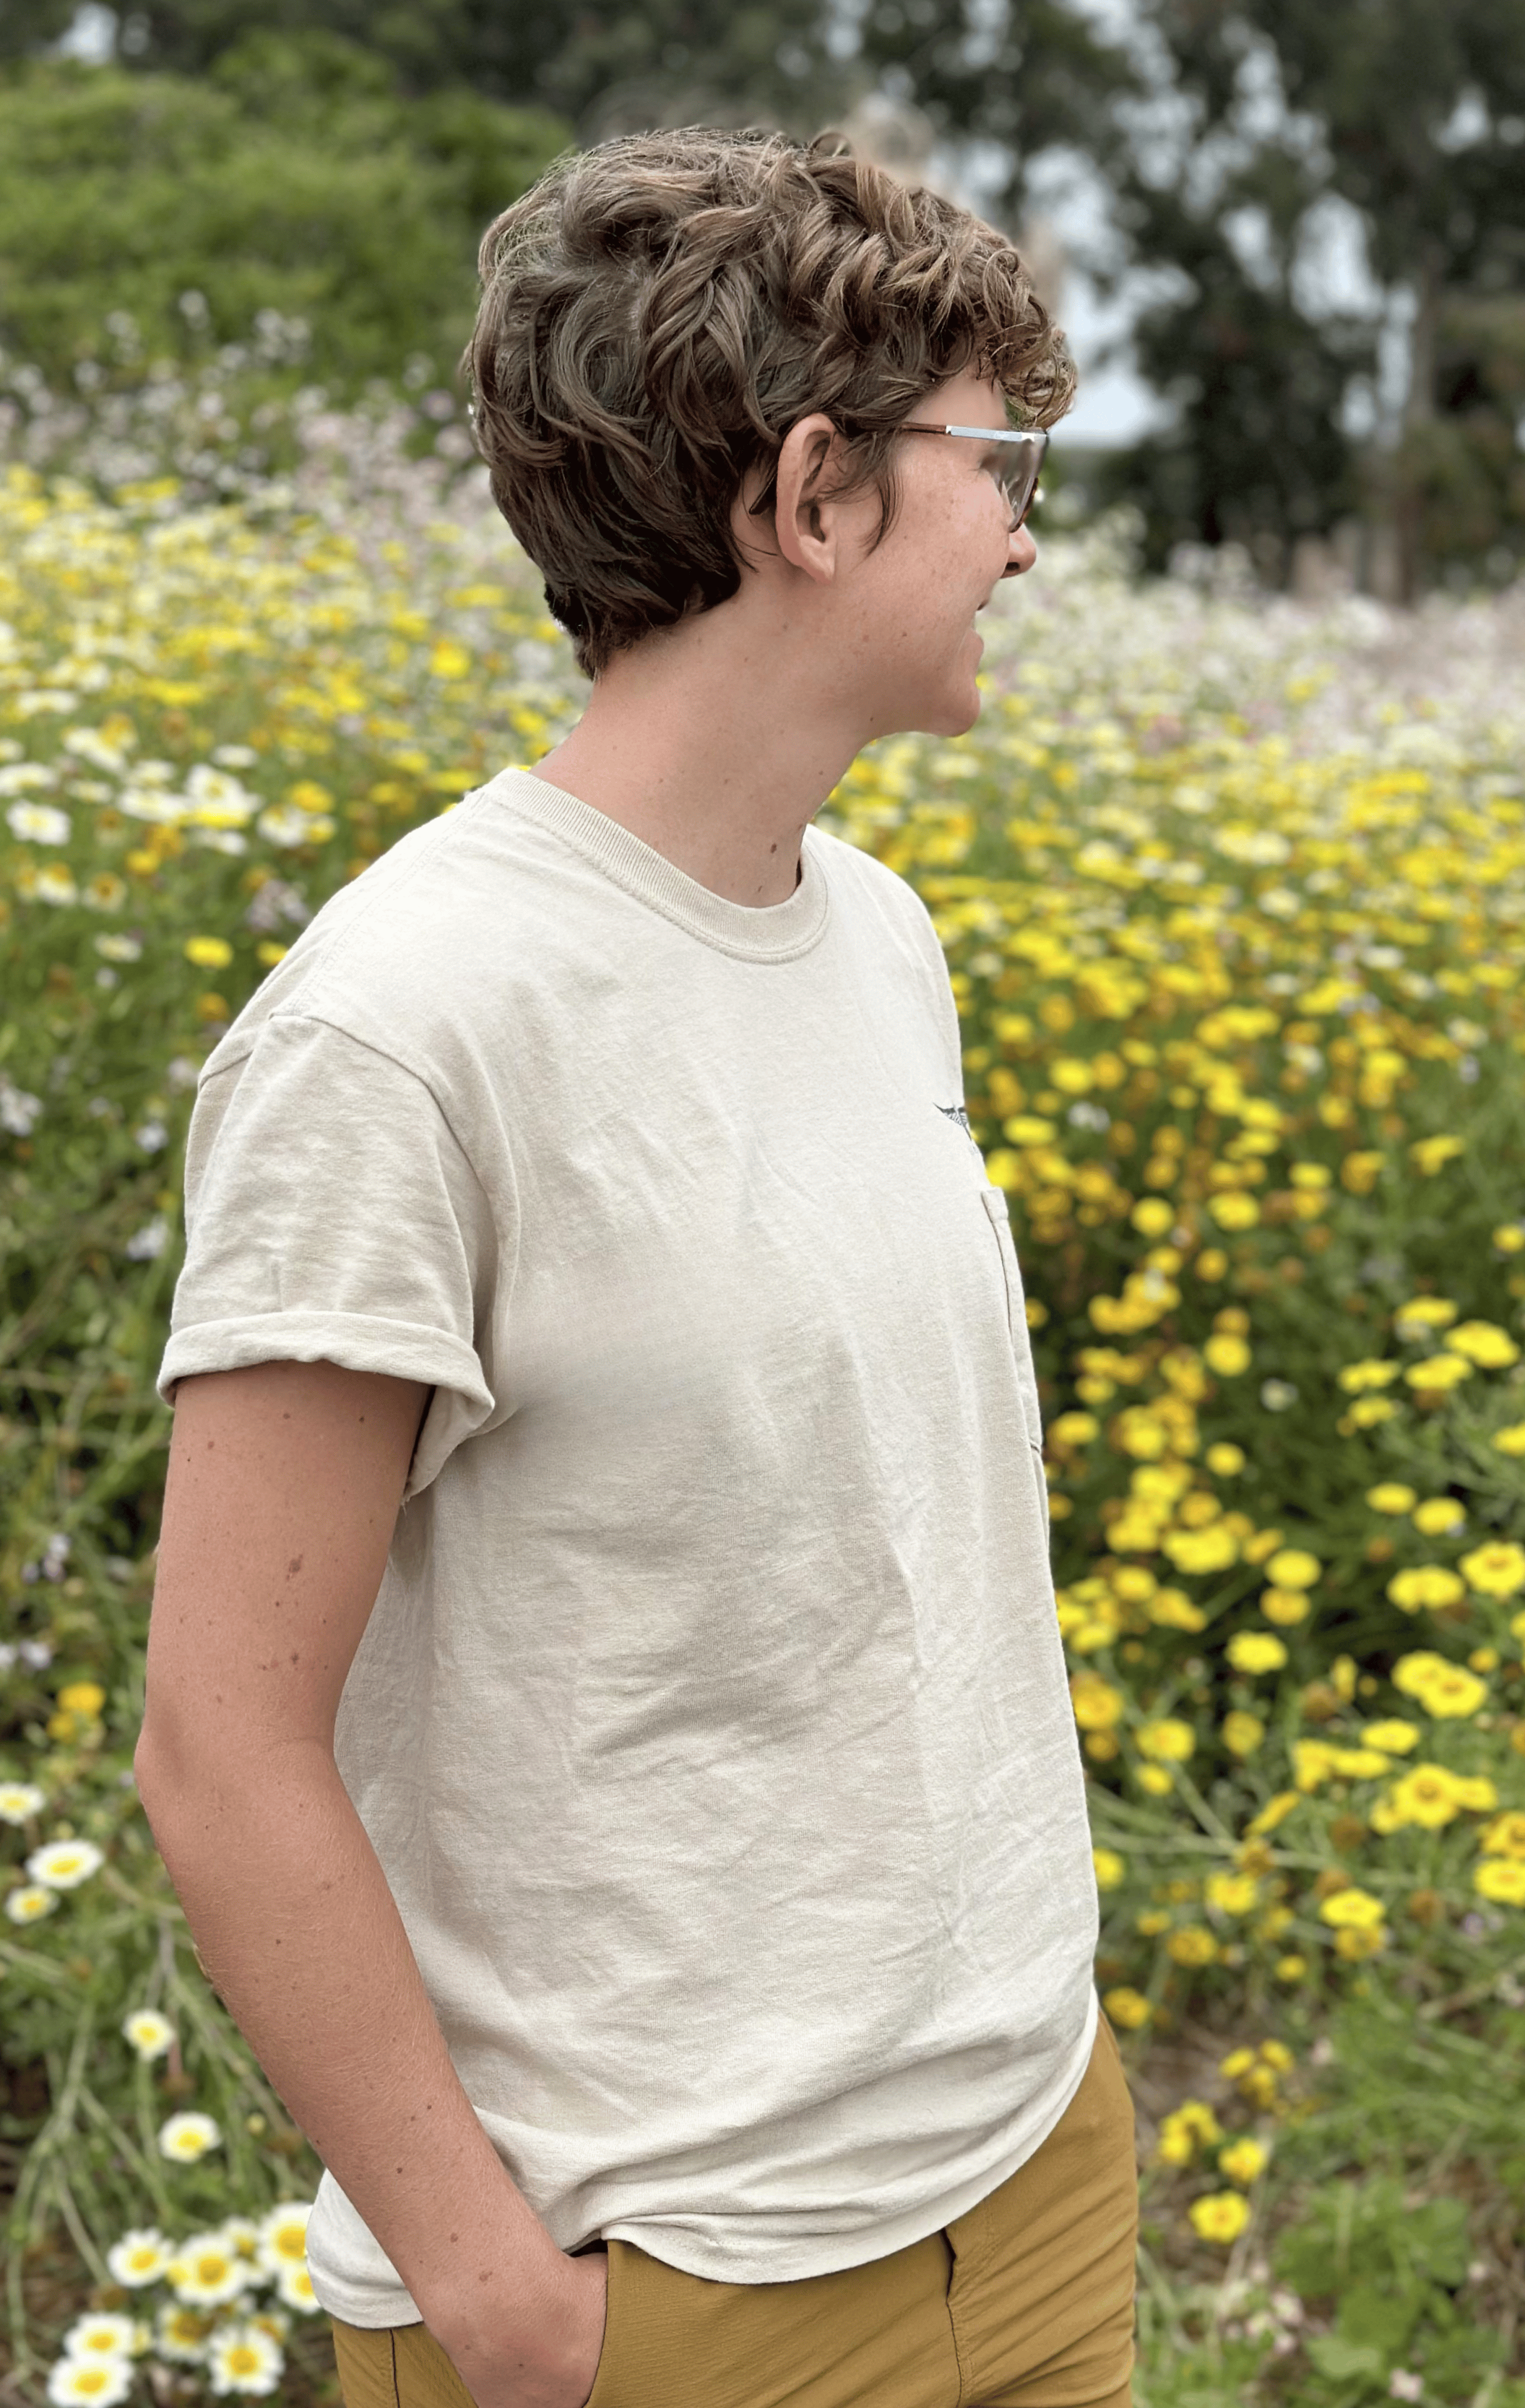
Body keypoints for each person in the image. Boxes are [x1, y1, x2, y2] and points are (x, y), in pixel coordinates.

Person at [136, 126, 1137, 2408]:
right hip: (660, 2284)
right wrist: (507, 2305)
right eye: (992, 461)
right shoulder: (401, 1030)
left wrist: (1047, 2066)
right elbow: (220, 1747)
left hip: (1028, 2184)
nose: (1021, 533)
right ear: (811, 495)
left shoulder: (873, 932)